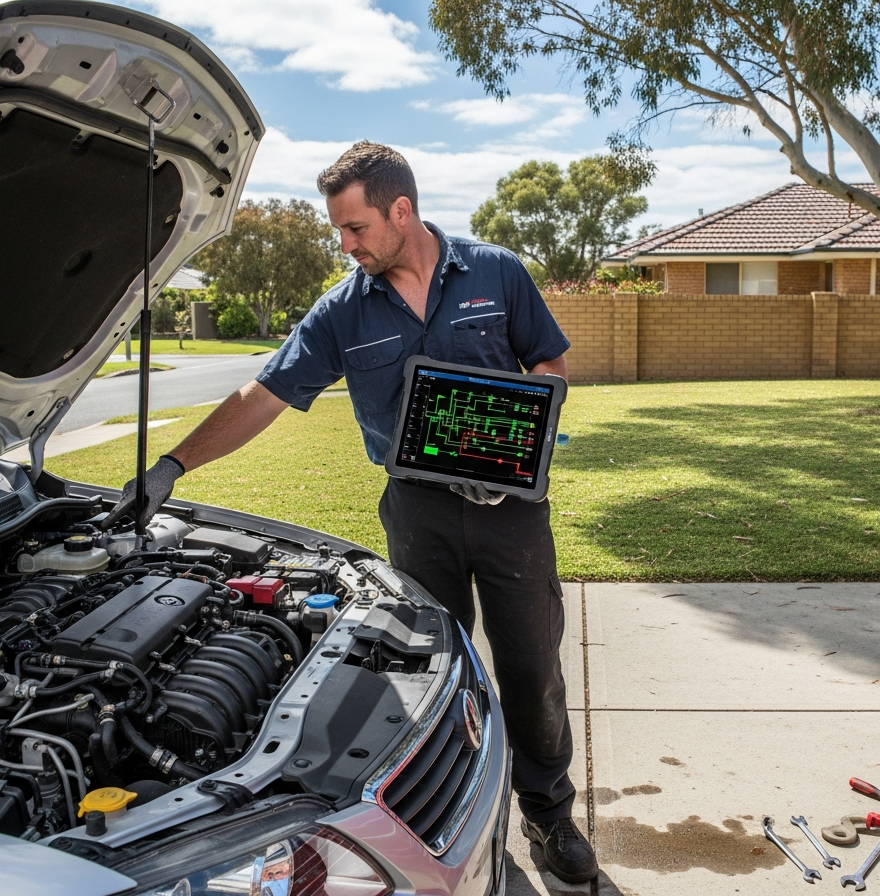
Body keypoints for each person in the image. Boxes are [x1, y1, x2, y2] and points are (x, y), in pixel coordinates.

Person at [105, 141, 597, 883]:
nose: (345, 244)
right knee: (431, 671)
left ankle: (549, 816)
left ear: (402, 211)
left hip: (509, 513)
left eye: (356, 227)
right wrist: (174, 466)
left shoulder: (496, 271)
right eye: (339, 230)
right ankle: (456, 813)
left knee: (531, 667)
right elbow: (263, 394)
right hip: (417, 514)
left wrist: (520, 453)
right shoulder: (344, 307)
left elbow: (549, 364)